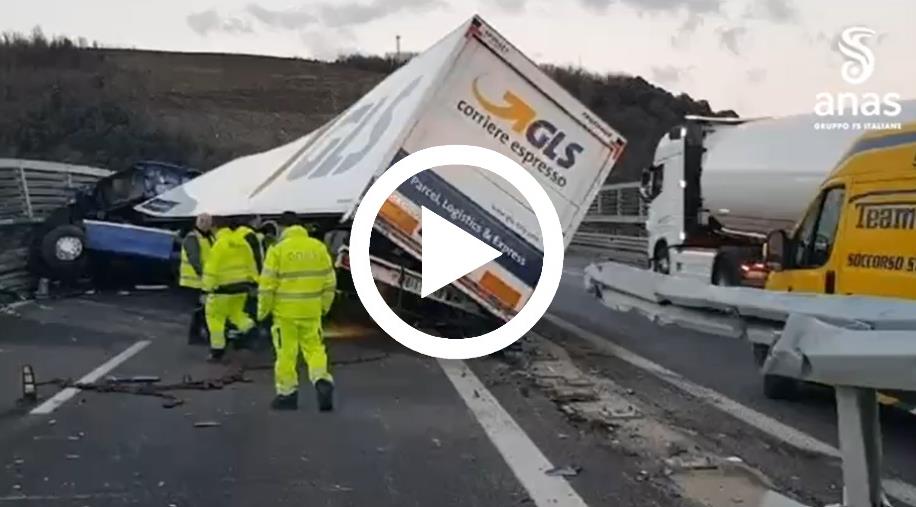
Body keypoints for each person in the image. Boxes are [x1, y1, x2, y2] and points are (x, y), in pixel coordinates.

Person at [257, 211, 337, 411]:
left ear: (282, 228)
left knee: (286, 353)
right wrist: (323, 306)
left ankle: (287, 394)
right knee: (315, 349)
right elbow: (330, 282)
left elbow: (267, 287)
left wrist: (262, 312)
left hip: (285, 314)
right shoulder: (318, 248)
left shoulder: (277, 250)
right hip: (311, 311)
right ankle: (321, 379)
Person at [201, 216, 258, 361]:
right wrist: (254, 282)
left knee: (215, 318)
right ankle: (251, 329)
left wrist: (206, 289)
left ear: (215, 228)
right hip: (241, 288)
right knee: (237, 314)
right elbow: (251, 264)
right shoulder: (242, 242)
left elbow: (211, 269)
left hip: (222, 290)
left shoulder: (219, 244)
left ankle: (217, 350)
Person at [178, 213, 214, 344]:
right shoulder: (192, 238)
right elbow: (194, 259)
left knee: (201, 309)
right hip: (193, 281)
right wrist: (203, 274)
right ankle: (195, 336)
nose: (208, 225)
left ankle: (198, 335)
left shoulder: (209, 237)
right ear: (199, 222)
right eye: (205, 222)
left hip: (203, 281)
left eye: (209, 222)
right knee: (199, 310)